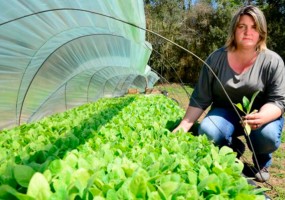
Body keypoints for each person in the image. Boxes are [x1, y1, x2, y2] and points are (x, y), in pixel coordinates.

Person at [172, 5, 285, 182]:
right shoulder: (216, 59)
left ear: (262, 31)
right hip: (225, 112)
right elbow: (201, 97)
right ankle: (232, 148)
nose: (248, 32)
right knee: (208, 130)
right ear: (234, 29)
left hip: (259, 116)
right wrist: (184, 125)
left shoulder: (273, 61)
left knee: (267, 134)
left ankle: (261, 161)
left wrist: (262, 116)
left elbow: (278, 101)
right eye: (242, 26)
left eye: (254, 27)